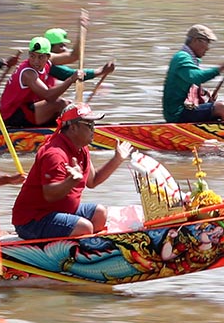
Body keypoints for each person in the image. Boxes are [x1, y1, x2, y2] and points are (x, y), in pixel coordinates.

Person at [12, 102, 133, 240]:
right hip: (31, 221)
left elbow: (92, 181)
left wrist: (117, 159)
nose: (94, 129)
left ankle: (87, 247)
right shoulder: (54, 154)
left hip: (61, 211)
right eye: (89, 125)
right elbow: (50, 194)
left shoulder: (82, 149)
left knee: (100, 213)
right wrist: (71, 181)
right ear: (73, 127)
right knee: (84, 227)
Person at [162, 24, 224, 123]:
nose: (208, 48)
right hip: (177, 113)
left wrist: (204, 92)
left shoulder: (190, 58)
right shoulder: (181, 58)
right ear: (196, 40)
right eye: (207, 42)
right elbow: (197, 77)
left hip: (188, 109)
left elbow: (187, 83)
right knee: (222, 107)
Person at [0, 37, 83, 128]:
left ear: (48, 56)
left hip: (26, 107)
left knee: (68, 105)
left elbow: (73, 56)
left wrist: (80, 35)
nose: (36, 61)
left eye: (40, 57)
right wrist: (70, 80)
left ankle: (64, 128)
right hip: (11, 115)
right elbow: (48, 96)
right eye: (32, 56)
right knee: (60, 103)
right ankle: (73, 131)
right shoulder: (28, 73)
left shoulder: (50, 59)